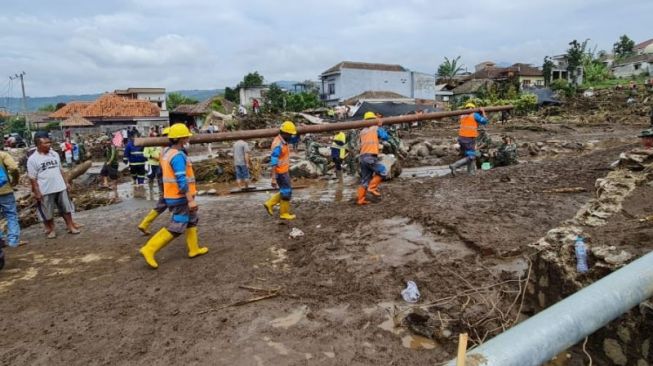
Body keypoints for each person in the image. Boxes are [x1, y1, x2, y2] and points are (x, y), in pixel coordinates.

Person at [138, 123, 208, 269]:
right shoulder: (177, 156)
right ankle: (149, 248)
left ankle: (194, 249)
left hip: (172, 195)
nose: (188, 138)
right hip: (180, 197)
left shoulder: (167, 153)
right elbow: (181, 180)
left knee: (192, 220)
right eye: (186, 136)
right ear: (182, 139)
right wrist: (190, 200)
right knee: (177, 225)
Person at [27, 134, 80, 239]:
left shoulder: (54, 154)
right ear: (38, 144)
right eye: (45, 143)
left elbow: (60, 170)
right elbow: (32, 178)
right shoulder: (33, 159)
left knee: (66, 209)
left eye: (49, 142)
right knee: (48, 212)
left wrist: (66, 183)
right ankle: (51, 229)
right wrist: (36, 191)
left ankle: (70, 226)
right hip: (45, 189)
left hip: (60, 187)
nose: (49, 145)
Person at [263, 121, 299, 220]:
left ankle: (269, 203)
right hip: (281, 172)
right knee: (286, 192)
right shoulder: (278, 145)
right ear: (285, 133)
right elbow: (273, 162)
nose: (291, 136)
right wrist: (273, 178)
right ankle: (284, 213)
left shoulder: (283, 140)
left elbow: (294, 139)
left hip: (283, 171)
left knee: (285, 191)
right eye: (290, 134)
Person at [138, 128, 171, 235]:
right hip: (166, 176)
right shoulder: (170, 150)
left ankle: (144, 223)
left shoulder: (162, 148)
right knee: (167, 201)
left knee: (165, 201)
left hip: (162, 174)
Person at [357, 112, 389, 205]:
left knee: (365, 179)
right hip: (370, 156)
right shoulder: (375, 128)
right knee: (383, 171)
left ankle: (360, 200)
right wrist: (380, 126)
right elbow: (385, 137)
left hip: (362, 157)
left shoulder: (362, 131)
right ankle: (372, 188)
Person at [449, 102, 488, 176]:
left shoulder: (463, 115)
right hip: (468, 139)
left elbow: (471, 122)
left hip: (461, 138)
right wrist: (483, 111)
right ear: (473, 108)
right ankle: (454, 165)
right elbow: (485, 121)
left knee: (469, 155)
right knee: (472, 156)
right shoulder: (474, 115)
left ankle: (470, 173)